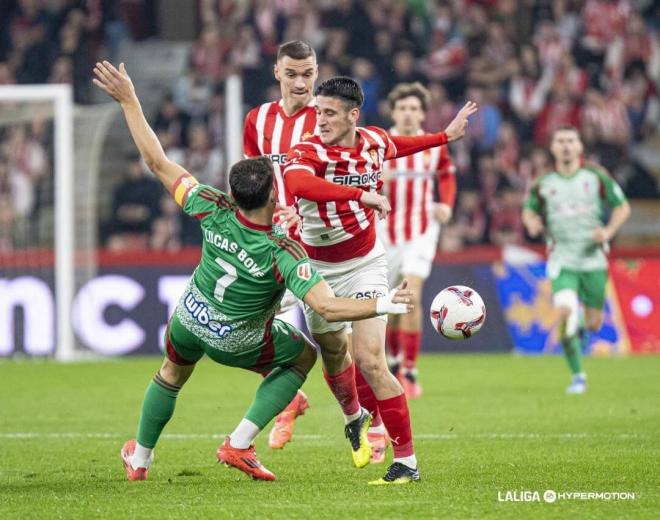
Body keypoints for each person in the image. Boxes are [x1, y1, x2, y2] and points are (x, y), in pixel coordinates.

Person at [92, 61, 413, 482]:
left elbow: (156, 160)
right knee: (305, 354)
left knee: (171, 373)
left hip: (189, 317)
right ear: (273, 193)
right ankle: (239, 443)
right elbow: (328, 307)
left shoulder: (211, 206)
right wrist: (382, 301)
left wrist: (129, 100)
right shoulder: (284, 249)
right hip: (236, 338)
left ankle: (141, 459)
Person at [282, 76, 477, 484]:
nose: (320, 120)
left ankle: (406, 461)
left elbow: (402, 145)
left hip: (365, 261)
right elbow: (297, 183)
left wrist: (445, 136)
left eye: (330, 113)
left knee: (371, 358)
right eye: (318, 111)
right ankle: (354, 415)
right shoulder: (307, 149)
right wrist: (359, 195)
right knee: (335, 353)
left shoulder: (372, 141)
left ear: (353, 115)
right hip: (316, 267)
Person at [242, 40, 318, 449]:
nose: (300, 82)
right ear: (277, 73)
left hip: (321, 242)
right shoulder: (257, 119)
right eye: (292, 74)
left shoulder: (327, 119)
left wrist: (305, 212)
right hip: (273, 242)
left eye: (308, 74)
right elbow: (252, 179)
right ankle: (290, 399)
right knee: (245, 327)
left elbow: (341, 177)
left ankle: (369, 422)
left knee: (337, 342)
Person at [522, 126, 630, 394]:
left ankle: (578, 323)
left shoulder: (595, 176)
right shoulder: (543, 182)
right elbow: (528, 212)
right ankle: (578, 376)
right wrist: (533, 223)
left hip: (593, 260)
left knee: (592, 323)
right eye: (561, 141)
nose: (566, 146)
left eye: (571, 140)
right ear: (553, 148)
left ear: (580, 146)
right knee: (565, 313)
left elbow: (622, 206)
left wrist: (608, 231)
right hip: (562, 259)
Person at [379, 82, 457, 404]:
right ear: (394, 112)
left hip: (421, 228)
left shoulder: (434, 145)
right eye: (403, 108)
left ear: (422, 113)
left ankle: (409, 370)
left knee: (410, 294)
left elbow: (447, 176)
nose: (408, 113)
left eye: (414, 108)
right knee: (390, 305)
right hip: (385, 232)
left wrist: (447, 204)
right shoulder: (379, 144)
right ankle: (395, 362)